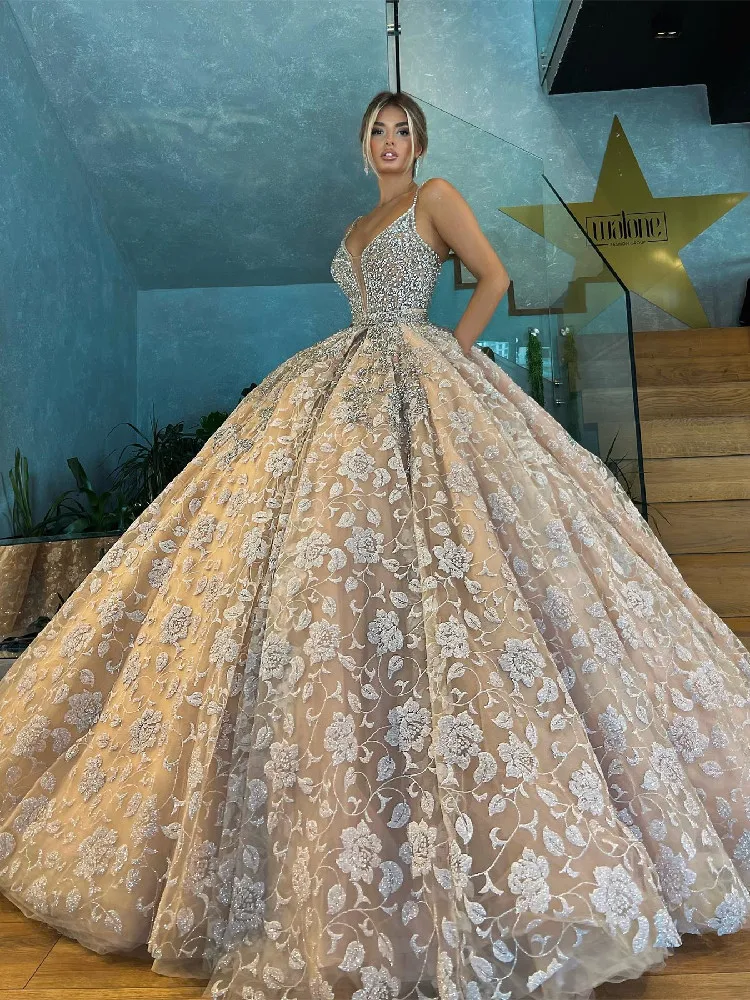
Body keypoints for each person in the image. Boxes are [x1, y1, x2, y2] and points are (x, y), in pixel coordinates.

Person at [1, 89, 749, 1000]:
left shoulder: (435, 197)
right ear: (364, 147)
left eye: (402, 130)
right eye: (378, 132)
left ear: (418, 144)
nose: (390, 141)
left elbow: (492, 277)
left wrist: (457, 359)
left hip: (420, 370)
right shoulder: (357, 224)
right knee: (327, 558)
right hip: (345, 376)